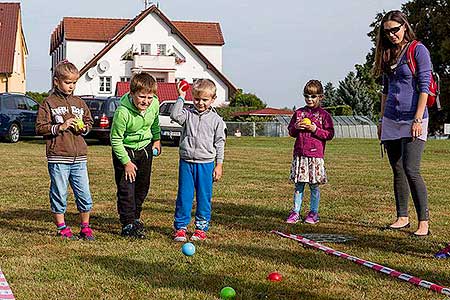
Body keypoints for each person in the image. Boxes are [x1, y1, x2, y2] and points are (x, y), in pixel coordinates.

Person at [374, 10, 431, 236]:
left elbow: (424, 86)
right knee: (397, 169)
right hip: (391, 118)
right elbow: (386, 90)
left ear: (404, 27)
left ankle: (423, 222)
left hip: (413, 118)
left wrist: (418, 118)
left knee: (411, 169)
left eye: (395, 30)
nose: (391, 35)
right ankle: (402, 216)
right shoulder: (388, 53)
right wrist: (381, 120)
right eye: (387, 32)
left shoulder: (418, 50)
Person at [36, 60, 95, 240]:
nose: (71, 86)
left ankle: (85, 227)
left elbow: (89, 122)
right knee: (59, 193)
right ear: (56, 81)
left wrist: (83, 128)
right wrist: (59, 127)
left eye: (74, 82)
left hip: (79, 158)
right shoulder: (48, 103)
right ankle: (62, 227)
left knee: (84, 193)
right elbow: (39, 127)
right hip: (58, 157)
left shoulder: (79, 103)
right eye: (67, 82)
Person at [171, 79, 226, 242]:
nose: (200, 103)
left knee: (203, 197)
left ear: (213, 99)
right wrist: (181, 97)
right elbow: (174, 115)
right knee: (184, 196)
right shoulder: (187, 114)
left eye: (205, 100)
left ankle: (201, 227)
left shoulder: (217, 120)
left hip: (206, 164)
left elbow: (220, 143)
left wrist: (219, 165)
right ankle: (180, 227)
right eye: (196, 99)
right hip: (187, 162)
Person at [110, 73, 161, 238]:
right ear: (132, 94)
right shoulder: (122, 112)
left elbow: (154, 123)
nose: (146, 101)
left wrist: (157, 140)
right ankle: (127, 224)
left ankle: (135, 218)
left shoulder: (154, 105)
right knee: (127, 189)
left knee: (142, 187)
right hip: (125, 150)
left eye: (149, 97)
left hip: (145, 149)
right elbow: (115, 139)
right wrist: (126, 162)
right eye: (142, 97)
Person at [285, 80, 334, 224]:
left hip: (315, 156)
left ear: (321, 97)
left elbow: (329, 134)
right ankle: (295, 212)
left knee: (314, 185)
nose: (309, 99)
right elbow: (291, 132)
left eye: (313, 96)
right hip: (300, 155)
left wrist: (315, 129)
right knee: (299, 185)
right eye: (307, 96)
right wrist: (296, 127)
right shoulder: (299, 113)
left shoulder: (324, 115)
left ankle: (314, 213)